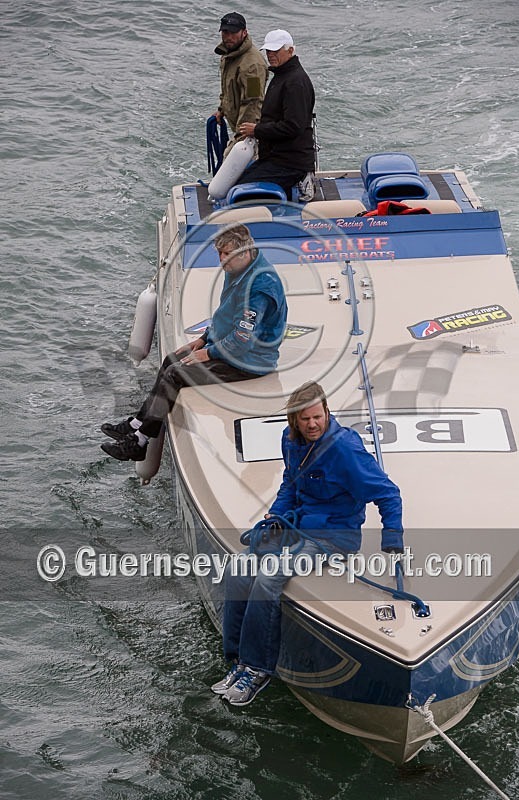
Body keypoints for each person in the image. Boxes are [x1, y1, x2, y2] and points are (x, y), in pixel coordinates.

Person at [212, 380, 404, 705]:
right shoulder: (291, 441)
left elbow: (388, 493)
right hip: (296, 525)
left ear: (327, 412)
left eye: (318, 417)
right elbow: (290, 482)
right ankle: (238, 661)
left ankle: (258, 669)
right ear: (294, 421)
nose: (313, 424)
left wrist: (392, 538)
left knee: (268, 577)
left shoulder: (345, 449)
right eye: (305, 419)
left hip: (333, 537)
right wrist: (275, 515)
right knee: (239, 568)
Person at [100, 225, 287, 461]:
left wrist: (208, 354)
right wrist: (203, 339)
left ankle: (140, 441)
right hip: (228, 347)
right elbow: (227, 314)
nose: (221, 261)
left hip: (249, 361)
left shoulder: (259, 286)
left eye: (226, 254)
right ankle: (136, 423)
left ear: (245, 252)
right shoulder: (238, 268)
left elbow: (243, 339)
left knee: (177, 375)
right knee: (171, 360)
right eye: (219, 253)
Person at [236, 29, 316, 201]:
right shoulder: (282, 75)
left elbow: (293, 126)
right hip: (276, 157)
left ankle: (302, 179)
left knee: (242, 191)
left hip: (290, 163)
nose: (271, 55)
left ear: (290, 51)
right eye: (268, 51)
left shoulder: (295, 83)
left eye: (276, 51)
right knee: (240, 182)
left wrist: (257, 130)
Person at [214, 12, 269, 153]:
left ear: (244, 33)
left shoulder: (252, 66)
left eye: (233, 32)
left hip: (249, 135)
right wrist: (222, 110)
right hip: (240, 129)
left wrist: (240, 139)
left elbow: (253, 103)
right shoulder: (229, 55)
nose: (228, 37)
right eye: (225, 32)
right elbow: (228, 89)